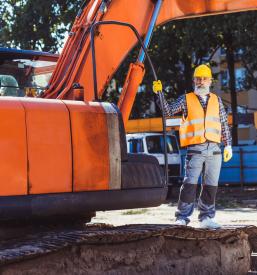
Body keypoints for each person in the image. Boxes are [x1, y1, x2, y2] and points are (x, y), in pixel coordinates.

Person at [153, 64, 233, 229]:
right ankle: (182, 217)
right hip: (195, 149)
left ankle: (206, 218)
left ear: (210, 81)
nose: (201, 81)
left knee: (211, 185)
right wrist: (159, 93)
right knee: (190, 184)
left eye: (204, 78)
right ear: (194, 80)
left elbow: (224, 124)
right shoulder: (186, 99)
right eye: (198, 78)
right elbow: (168, 111)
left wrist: (229, 145)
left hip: (215, 149)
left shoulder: (217, 101)